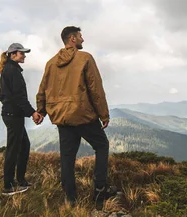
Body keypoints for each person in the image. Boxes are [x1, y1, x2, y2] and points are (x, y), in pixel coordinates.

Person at [35, 26, 118, 208]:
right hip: (83, 115)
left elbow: (43, 89)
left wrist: (41, 111)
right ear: (72, 38)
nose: (83, 39)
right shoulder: (85, 58)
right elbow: (96, 89)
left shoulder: (51, 63)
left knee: (67, 156)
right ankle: (99, 191)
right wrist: (103, 113)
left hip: (62, 118)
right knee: (102, 145)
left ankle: (70, 198)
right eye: (80, 36)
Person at [0, 42, 43, 196]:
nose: (24, 55)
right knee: (14, 149)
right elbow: (19, 97)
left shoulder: (9, 70)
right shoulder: (12, 71)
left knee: (23, 146)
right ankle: (8, 186)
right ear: (12, 54)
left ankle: (20, 180)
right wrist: (32, 113)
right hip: (13, 116)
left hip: (11, 114)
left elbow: (2, 95)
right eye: (22, 53)